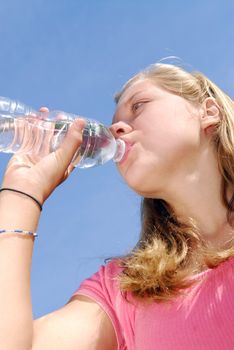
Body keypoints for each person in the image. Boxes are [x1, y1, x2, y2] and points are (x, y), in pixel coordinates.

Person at [0, 63, 233, 350]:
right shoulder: (125, 290)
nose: (117, 128)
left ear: (208, 112)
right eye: (115, 121)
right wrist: (21, 195)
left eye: (139, 106)